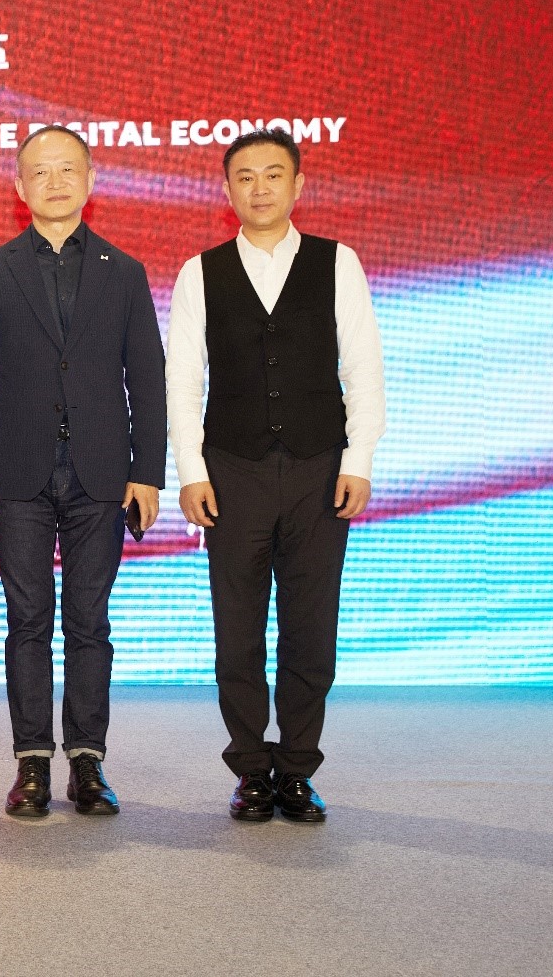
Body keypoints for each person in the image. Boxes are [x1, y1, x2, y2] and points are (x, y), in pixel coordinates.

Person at [166, 128, 385, 823]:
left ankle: (296, 769)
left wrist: (357, 460)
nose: (258, 188)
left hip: (321, 469)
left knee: (310, 628)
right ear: (226, 189)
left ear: (298, 184)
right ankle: (249, 769)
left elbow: (363, 368)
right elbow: (182, 381)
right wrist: (191, 471)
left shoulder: (337, 262)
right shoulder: (199, 272)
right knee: (236, 630)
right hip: (232, 471)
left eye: (272, 174)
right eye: (244, 176)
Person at [0, 127, 166, 819]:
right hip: (16, 472)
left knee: (89, 621)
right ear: (19, 186)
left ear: (90, 179)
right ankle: (31, 761)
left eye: (67, 169)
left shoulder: (123, 270)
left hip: (100, 474)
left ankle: (87, 760)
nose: (54, 182)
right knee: (26, 619)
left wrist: (147, 471)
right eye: (39, 172)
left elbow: (147, 378)